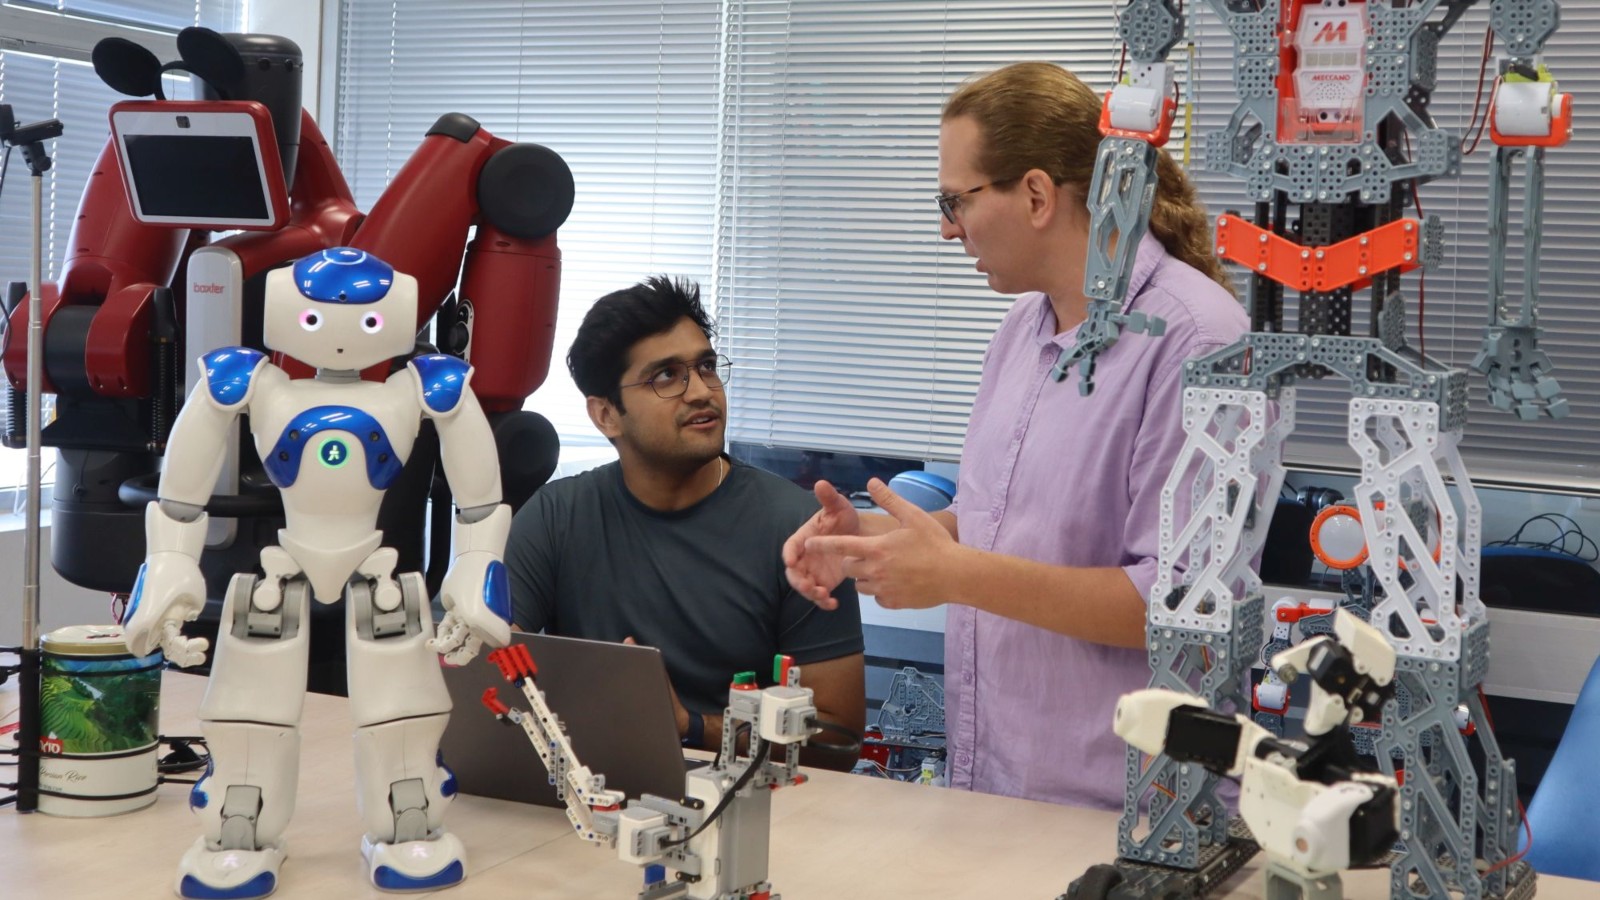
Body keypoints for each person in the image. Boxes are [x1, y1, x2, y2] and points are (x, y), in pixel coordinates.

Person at [783, 62, 1250, 806]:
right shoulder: (1021, 332)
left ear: (1035, 195)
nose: (947, 229)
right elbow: (1004, 523)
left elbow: (1177, 606)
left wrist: (954, 575)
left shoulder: (1198, 338)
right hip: (997, 791)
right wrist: (876, 540)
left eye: (955, 201)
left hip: (1129, 812)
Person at [506, 275, 866, 771]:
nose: (701, 391)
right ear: (606, 415)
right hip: (591, 789)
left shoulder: (797, 529)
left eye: (706, 367)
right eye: (666, 376)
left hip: (753, 800)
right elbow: (491, 677)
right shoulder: (555, 517)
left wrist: (690, 727)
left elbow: (839, 740)